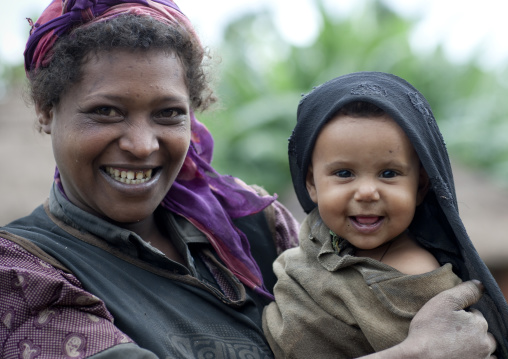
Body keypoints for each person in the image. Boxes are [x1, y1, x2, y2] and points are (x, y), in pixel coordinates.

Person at [0, 1, 497, 357]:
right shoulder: (25, 273)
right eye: (106, 112)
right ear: (47, 110)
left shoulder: (253, 226)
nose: (142, 143)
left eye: (168, 113)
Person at [263, 72, 508, 358]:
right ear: (312, 184)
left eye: (389, 173)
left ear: (420, 187)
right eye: (344, 173)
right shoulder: (313, 238)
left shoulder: (417, 276)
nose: (367, 192)